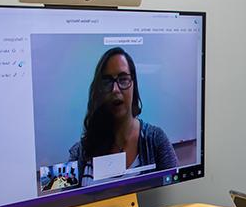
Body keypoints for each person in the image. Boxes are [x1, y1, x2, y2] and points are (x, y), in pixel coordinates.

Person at [69, 47, 177, 186]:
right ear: (99, 90)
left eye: (123, 79)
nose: (115, 89)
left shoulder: (155, 140)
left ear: (134, 86)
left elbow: (175, 190)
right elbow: (60, 199)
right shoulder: (81, 151)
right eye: (107, 81)